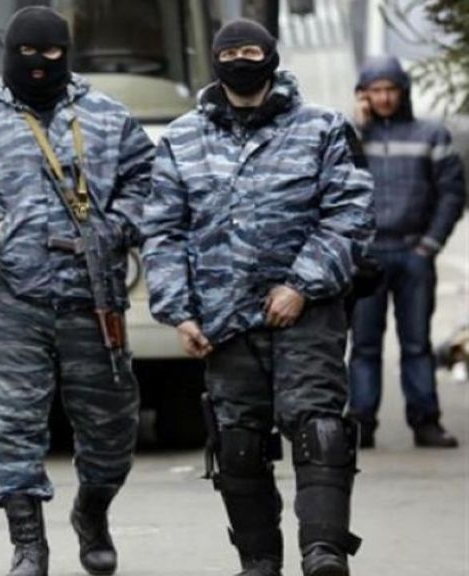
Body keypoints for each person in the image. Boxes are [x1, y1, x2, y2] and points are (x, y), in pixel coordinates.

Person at [142, 20, 374, 576]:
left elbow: (351, 215)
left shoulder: (322, 129)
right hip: (224, 320)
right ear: (215, 61)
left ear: (270, 57)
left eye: (251, 51)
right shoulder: (182, 139)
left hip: (306, 313)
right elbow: (162, 232)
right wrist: (179, 312)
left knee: (319, 430)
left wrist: (301, 285)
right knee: (238, 444)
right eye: (230, 53)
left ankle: (324, 551)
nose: (240, 61)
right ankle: (259, 560)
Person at [0, 7, 152, 575]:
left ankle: (92, 511)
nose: (39, 65)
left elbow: (148, 184)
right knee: (14, 424)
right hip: (15, 296)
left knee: (112, 426)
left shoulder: (108, 117)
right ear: (8, 55)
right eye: (27, 54)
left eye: (51, 54)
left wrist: (116, 227)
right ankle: (28, 543)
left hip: (95, 296)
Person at [348, 56, 466, 449]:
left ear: (403, 92)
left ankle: (426, 421)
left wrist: (428, 246)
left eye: (390, 90)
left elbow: (451, 193)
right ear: (363, 95)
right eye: (375, 90)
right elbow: (330, 185)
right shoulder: (347, 136)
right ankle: (360, 423)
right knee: (364, 345)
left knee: (416, 344)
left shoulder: (430, 135)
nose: (384, 98)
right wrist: (357, 130)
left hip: (413, 252)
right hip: (366, 256)